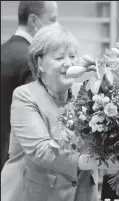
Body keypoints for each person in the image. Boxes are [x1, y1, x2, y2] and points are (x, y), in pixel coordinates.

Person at [1, 24, 119, 201]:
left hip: (82, 197)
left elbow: (109, 134)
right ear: (40, 63)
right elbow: (41, 151)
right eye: (59, 57)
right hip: (33, 198)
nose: (68, 63)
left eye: (73, 56)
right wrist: (86, 161)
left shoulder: (86, 94)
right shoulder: (25, 96)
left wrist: (106, 82)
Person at [1, 1, 59, 171]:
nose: (57, 25)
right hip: (17, 162)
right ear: (34, 21)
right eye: (53, 19)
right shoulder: (32, 61)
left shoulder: (3, 51)